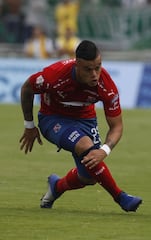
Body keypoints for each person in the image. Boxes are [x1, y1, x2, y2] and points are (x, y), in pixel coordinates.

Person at [19, 40, 142, 212]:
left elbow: (117, 127)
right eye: (88, 69)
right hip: (53, 119)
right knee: (86, 146)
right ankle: (120, 197)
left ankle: (57, 186)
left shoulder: (106, 86)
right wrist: (29, 125)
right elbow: (27, 88)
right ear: (77, 65)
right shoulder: (55, 75)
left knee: (89, 177)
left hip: (86, 121)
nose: (95, 74)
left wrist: (104, 150)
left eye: (98, 67)